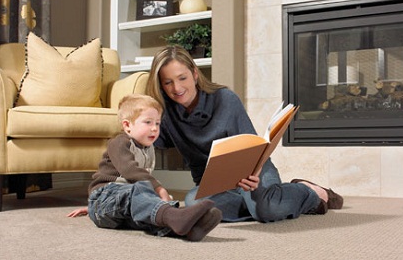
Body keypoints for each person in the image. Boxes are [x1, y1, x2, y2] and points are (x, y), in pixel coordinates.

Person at [146, 45, 343, 223]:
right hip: (215, 184)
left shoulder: (225, 99)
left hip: (252, 171)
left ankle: (308, 192)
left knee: (266, 210)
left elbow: (253, 149)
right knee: (193, 202)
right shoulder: (164, 113)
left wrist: (254, 177)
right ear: (160, 85)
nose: (177, 88)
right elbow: (151, 141)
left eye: (182, 78)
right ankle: (272, 199)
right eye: (168, 82)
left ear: (195, 74)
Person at [67, 94, 221, 241]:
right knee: (141, 189)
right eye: (148, 122)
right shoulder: (119, 142)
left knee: (148, 215)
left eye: (157, 123)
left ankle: (185, 230)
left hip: (123, 210)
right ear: (127, 125)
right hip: (104, 198)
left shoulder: (148, 149)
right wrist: (158, 188)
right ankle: (175, 216)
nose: (154, 128)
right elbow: (129, 170)